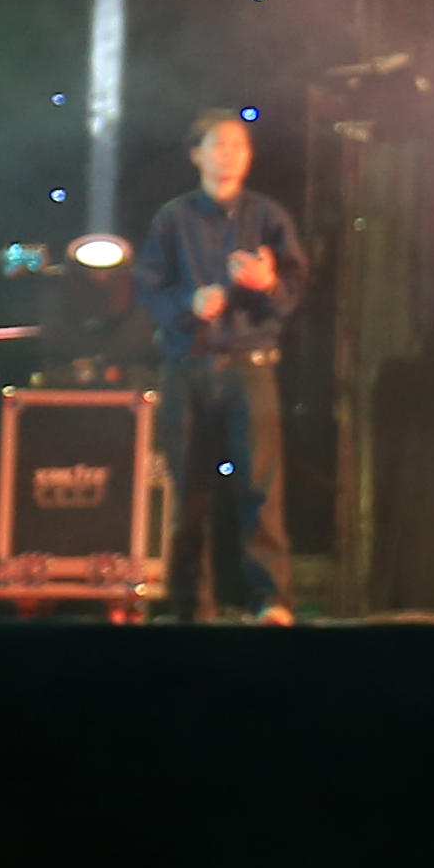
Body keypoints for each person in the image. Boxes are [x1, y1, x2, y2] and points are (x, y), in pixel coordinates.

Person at [139, 107, 306, 624]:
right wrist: (188, 304)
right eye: (218, 144)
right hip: (186, 366)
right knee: (187, 490)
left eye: (238, 146)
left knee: (259, 487)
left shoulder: (268, 216)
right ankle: (190, 604)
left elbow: (294, 289)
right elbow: (148, 287)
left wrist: (267, 285)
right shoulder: (172, 218)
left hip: (250, 364)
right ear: (196, 154)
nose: (229, 155)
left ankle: (270, 599)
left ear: (249, 157)